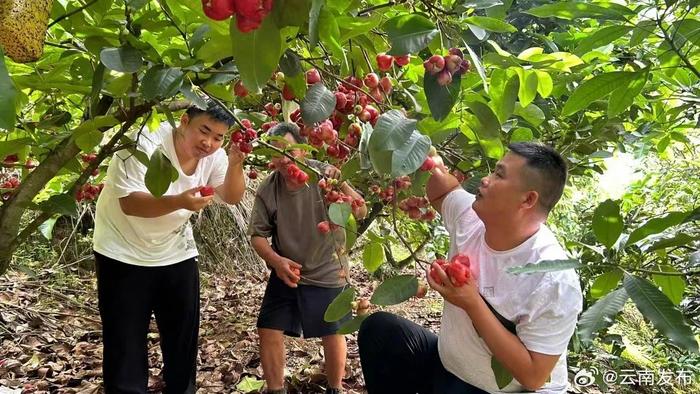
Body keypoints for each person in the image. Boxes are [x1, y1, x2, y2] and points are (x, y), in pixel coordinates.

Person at [358, 142, 583, 393]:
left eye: (499, 174)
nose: (485, 180)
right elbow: (445, 192)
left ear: (528, 199)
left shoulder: (553, 280)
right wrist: (421, 150)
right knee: (381, 332)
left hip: (505, 390)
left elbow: (533, 376)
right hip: (450, 370)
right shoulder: (472, 217)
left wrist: (471, 302)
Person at [92, 102, 246, 393]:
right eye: (204, 131)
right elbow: (130, 204)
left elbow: (232, 195)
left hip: (176, 251)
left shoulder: (213, 156)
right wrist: (179, 201)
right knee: (125, 340)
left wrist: (236, 162)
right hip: (121, 250)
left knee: (181, 337)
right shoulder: (143, 141)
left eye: (219, 137)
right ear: (184, 121)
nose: (209, 143)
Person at [248, 122, 367, 394]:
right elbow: (257, 235)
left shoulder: (324, 176)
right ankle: (276, 389)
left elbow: (359, 212)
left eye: (289, 150)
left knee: (332, 330)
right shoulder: (269, 188)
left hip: (328, 268)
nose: (282, 158)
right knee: (268, 327)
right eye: (275, 153)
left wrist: (342, 185)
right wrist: (276, 261)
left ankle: (335, 388)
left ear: (302, 150)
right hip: (287, 270)